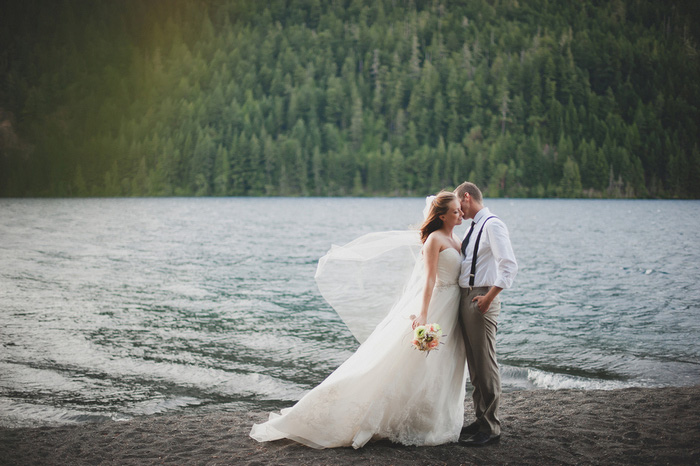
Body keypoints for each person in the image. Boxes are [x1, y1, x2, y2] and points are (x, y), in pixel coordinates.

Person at [250, 192, 468, 449]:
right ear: (442, 215)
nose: (461, 214)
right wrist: (423, 314)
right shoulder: (434, 240)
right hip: (437, 304)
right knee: (409, 363)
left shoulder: (456, 238)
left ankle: (433, 419)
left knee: (444, 364)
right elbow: (429, 280)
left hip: (454, 306)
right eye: (456, 211)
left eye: (460, 210)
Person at [454, 181, 518, 446]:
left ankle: (491, 427)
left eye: (459, 205)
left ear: (466, 197)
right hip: (468, 295)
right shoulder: (475, 226)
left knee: (485, 362)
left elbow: (509, 266)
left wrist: (489, 298)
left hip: (482, 297)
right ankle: (481, 418)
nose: (459, 211)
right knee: (474, 364)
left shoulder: (492, 224)